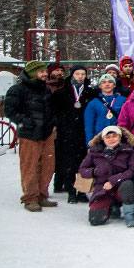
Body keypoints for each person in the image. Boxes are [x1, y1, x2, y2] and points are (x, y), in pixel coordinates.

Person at [5, 60, 57, 212]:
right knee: (30, 166)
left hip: (46, 132)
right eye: (41, 72)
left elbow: (50, 109)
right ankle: (30, 197)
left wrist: (53, 123)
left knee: (48, 165)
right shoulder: (18, 89)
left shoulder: (45, 89)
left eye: (45, 72)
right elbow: (10, 111)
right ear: (33, 72)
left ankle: (42, 194)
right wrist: (24, 121)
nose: (45, 74)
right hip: (29, 134)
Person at [51, 65, 97, 202]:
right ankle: (71, 190)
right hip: (67, 132)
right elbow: (55, 111)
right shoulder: (61, 92)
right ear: (72, 75)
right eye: (77, 74)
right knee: (69, 162)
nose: (80, 77)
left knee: (84, 162)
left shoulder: (90, 92)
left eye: (83, 74)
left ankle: (82, 191)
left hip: (84, 130)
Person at [78, 126, 134, 226]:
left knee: (128, 185)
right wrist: (95, 171)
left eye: (114, 136)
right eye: (108, 137)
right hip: (101, 189)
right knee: (96, 220)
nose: (111, 139)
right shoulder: (94, 152)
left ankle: (130, 215)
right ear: (103, 139)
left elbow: (131, 170)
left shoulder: (128, 151)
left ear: (120, 137)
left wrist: (113, 181)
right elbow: (82, 170)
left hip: (121, 185)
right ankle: (111, 206)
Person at [84, 73, 126, 145]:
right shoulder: (93, 103)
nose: (107, 84)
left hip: (118, 138)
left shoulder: (123, 100)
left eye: (110, 82)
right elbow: (89, 125)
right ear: (100, 86)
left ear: (114, 85)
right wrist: (90, 142)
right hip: (100, 139)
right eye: (103, 82)